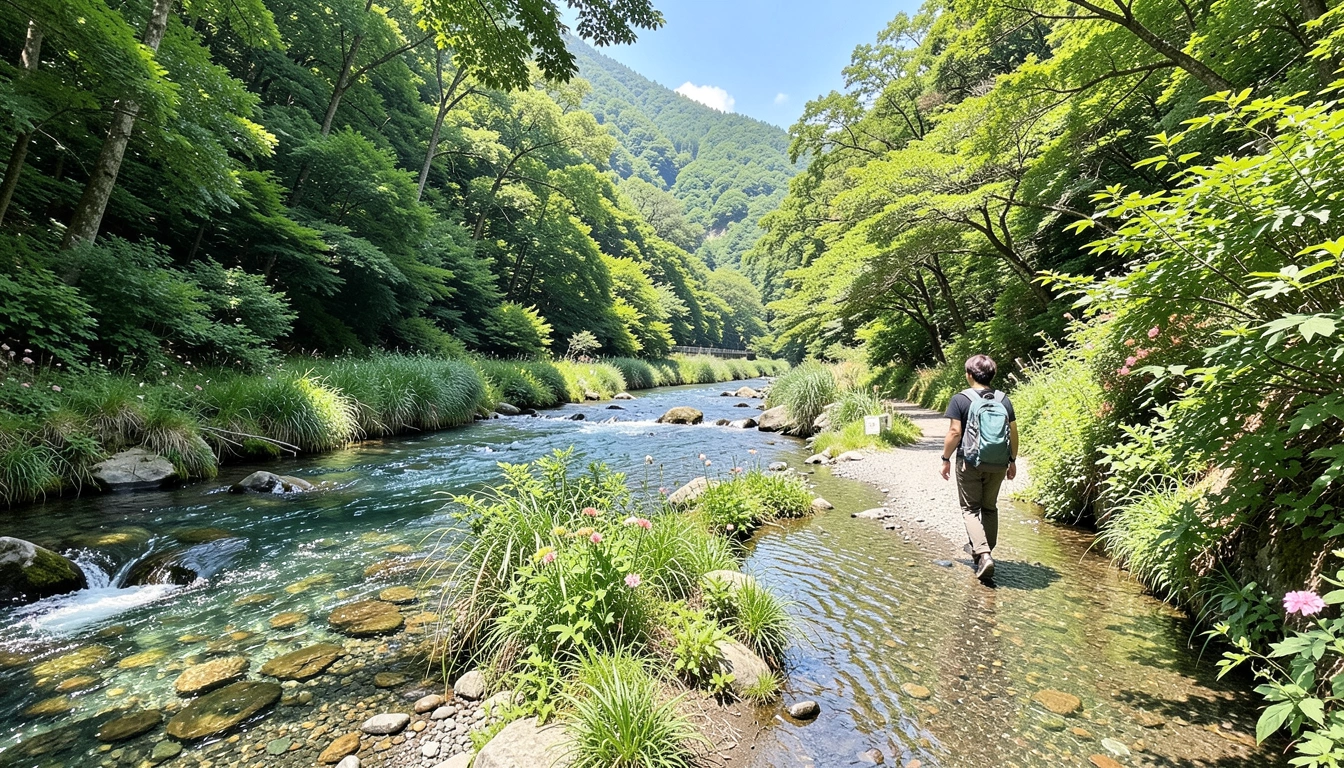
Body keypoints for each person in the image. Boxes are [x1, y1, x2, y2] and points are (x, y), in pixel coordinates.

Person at [939, 354, 1018, 581]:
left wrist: (945, 458)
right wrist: (1012, 461)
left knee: (971, 509)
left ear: (969, 374)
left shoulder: (961, 399)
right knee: (989, 507)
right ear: (992, 375)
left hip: (970, 462)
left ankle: (982, 554)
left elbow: (955, 432)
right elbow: (1013, 433)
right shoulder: (1004, 400)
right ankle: (985, 550)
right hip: (998, 462)